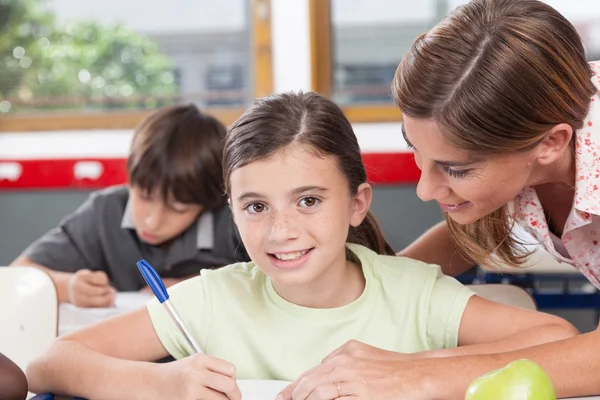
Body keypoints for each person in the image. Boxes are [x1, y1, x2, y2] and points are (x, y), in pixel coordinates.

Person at [25, 92, 577, 399]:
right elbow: (52, 360)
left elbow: (554, 336)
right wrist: (159, 382)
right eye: (256, 206)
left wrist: (420, 367)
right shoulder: (215, 297)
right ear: (232, 209)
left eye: (309, 201)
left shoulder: (409, 293)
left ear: (358, 203)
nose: (281, 231)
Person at [277, 0, 600, 399]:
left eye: (457, 169)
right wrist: (369, 292)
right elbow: (465, 234)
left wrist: (422, 375)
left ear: (551, 142)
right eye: (413, 147)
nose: (425, 190)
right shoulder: (532, 122)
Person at [10, 104, 248, 308]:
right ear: (131, 179)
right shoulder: (106, 211)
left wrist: (200, 285)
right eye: (144, 196)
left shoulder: (233, 217)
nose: (152, 221)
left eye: (178, 209)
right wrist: (68, 287)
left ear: (208, 202)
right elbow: (18, 275)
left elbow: (275, 280)